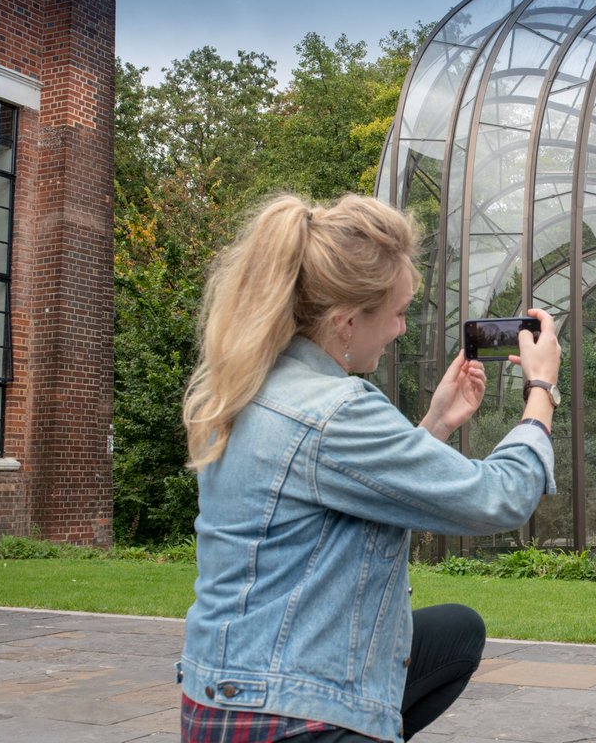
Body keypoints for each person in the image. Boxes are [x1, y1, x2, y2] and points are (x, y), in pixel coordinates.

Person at [178, 194, 562, 743]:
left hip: (223, 696)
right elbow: (497, 497)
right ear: (345, 322)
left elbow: (347, 490)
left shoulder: (252, 386)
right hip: (282, 718)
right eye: (399, 312)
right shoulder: (334, 410)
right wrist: (540, 389)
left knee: (455, 631)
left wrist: (435, 423)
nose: (402, 328)